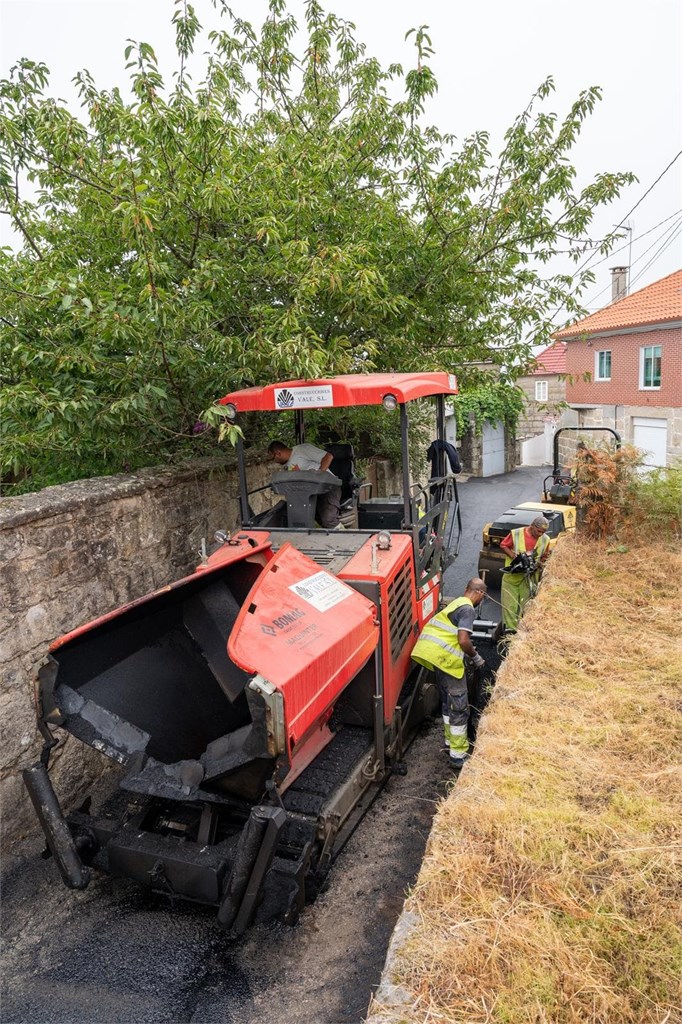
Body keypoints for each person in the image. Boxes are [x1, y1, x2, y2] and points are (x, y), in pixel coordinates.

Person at [411, 578, 488, 771]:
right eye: (483, 598)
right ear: (480, 594)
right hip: (447, 661)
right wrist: (476, 657)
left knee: (448, 703)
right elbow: (463, 640)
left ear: (466, 588)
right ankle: (458, 755)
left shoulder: (456, 602)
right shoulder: (468, 608)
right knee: (459, 706)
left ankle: (449, 742)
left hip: (436, 656)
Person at [267, 440, 342, 529]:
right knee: (309, 520)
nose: (274, 461)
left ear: (278, 453)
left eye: (273, 458)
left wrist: (318, 475)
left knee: (329, 520)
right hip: (310, 493)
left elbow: (328, 457)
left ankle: (347, 540)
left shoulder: (302, 449)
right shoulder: (286, 466)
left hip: (328, 487)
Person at [499, 515, 551, 631]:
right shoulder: (516, 534)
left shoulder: (545, 540)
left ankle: (523, 630)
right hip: (512, 576)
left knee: (526, 606)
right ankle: (509, 631)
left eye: (543, 532)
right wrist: (514, 557)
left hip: (529, 578)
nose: (540, 534)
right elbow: (503, 545)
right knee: (509, 605)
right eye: (538, 531)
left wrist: (540, 564)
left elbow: (544, 556)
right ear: (532, 526)